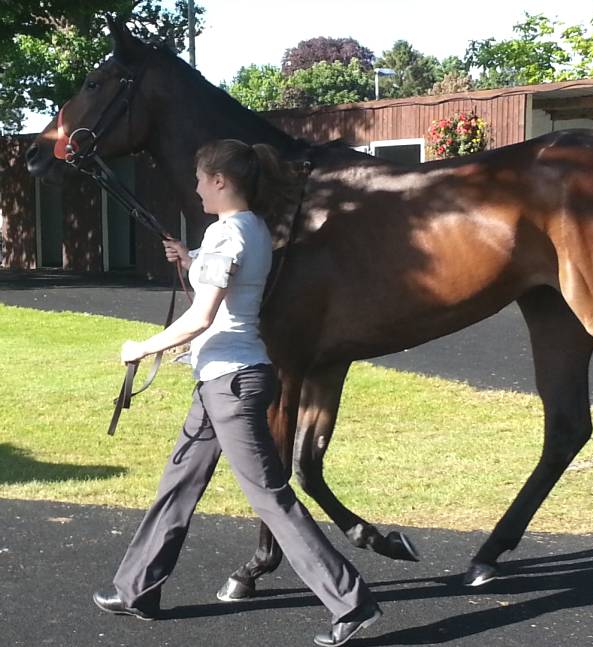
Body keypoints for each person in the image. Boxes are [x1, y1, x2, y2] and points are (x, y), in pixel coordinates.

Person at [92, 139, 381, 647]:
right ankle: (136, 588)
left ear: (220, 181)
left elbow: (201, 317)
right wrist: (189, 259)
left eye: (201, 180)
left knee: (270, 497)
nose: (197, 188)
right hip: (221, 382)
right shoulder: (250, 228)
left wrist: (142, 347)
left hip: (232, 384)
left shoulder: (226, 234)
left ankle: (351, 602)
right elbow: (227, 282)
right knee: (178, 483)